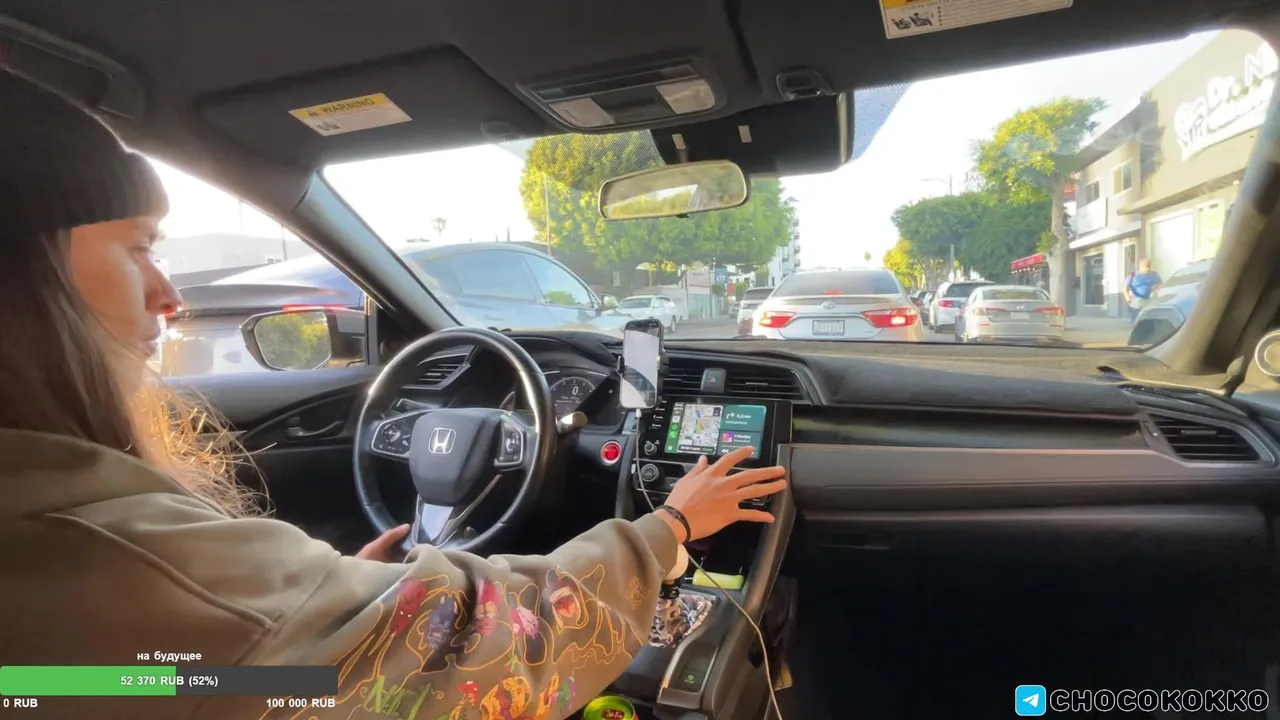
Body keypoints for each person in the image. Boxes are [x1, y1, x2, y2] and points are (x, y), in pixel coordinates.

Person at [0, 74, 787, 718]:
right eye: (139, 248)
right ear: (27, 276)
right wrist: (670, 529)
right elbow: (509, 647)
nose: (170, 296)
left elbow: (130, 685)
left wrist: (330, 617)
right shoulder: (138, 563)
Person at [1125, 258, 1163, 323]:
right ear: (1140, 266)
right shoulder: (1133, 276)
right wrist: (1127, 296)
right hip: (1136, 301)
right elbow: (1126, 288)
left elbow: (1160, 283)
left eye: (1149, 265)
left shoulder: (1154, 275)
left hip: (1148, 300)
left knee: (1149, 320)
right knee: (1136, 321)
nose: (1148, 267)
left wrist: (1157, 288)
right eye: (1146, 265)